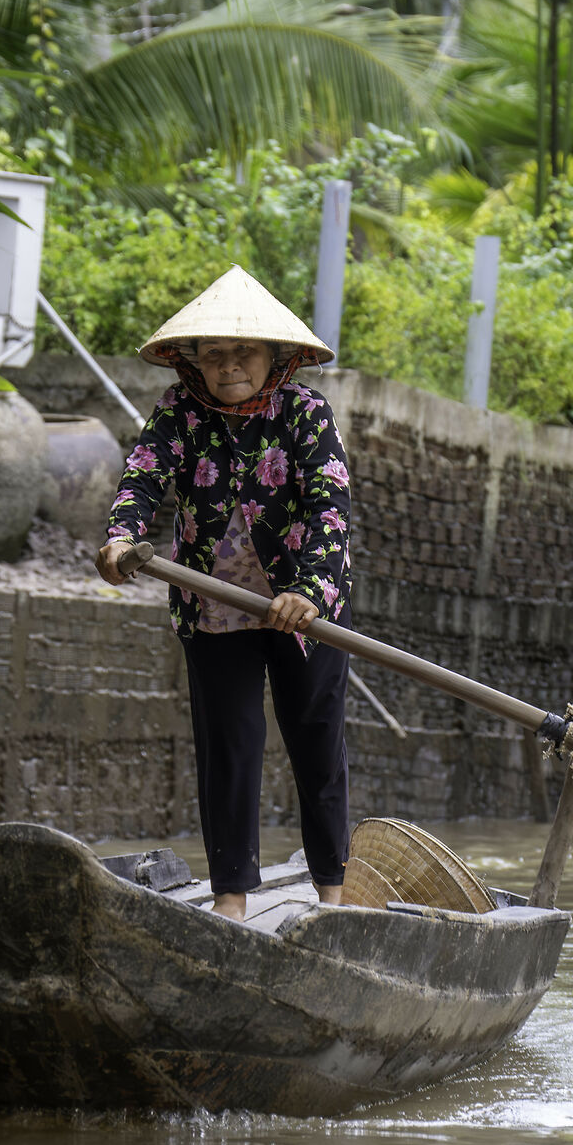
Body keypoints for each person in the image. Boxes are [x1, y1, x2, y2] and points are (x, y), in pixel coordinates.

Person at [94, 265, 354, 921]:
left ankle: (334, 895)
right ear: (194, 363)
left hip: (303, 609)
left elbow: (330, 505)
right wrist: (122, 538)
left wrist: (313, 592)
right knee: (229, 747)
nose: (229, 365)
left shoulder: (305, 412)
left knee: (315, 741)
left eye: (243, 353)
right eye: (214, 355)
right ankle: (232, 902)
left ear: (273, 358)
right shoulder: (178, 411)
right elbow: (143, 478)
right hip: (214, 609)